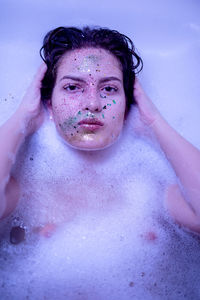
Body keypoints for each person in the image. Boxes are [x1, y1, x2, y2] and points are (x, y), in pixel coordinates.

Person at [0, 26, 200, 235]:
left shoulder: (150, 191)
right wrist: (24, 117)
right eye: (72, 87)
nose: (93, 104)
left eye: (109, 88)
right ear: (49, 103)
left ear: (127, 104)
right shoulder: (28, 190)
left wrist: (152, 122)